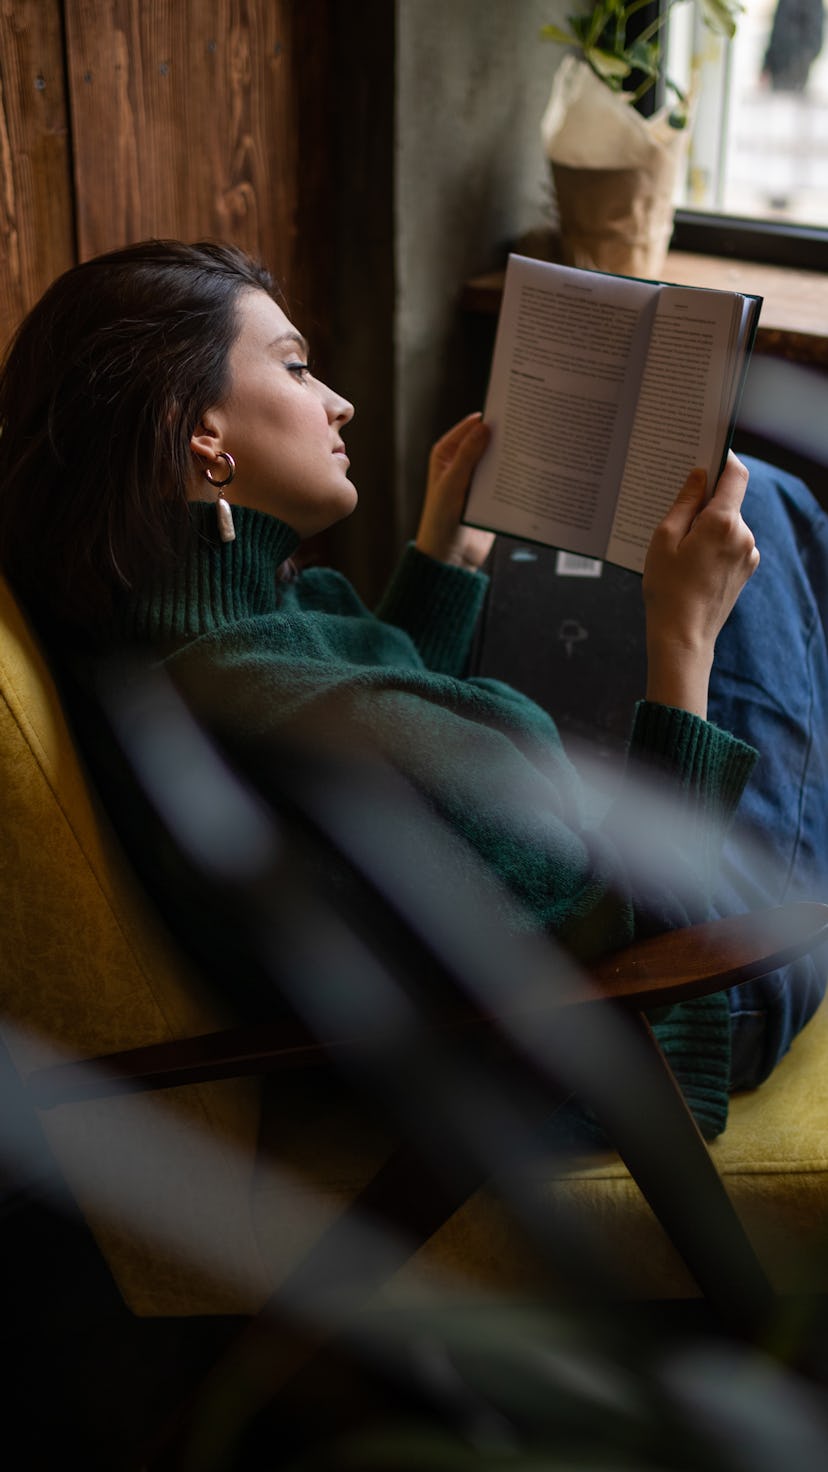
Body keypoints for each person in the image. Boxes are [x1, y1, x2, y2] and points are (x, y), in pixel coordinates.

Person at [0, 238, 826, 1142]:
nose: (337, 401)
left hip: (570, 939)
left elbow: (360, 706)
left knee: (754, 522)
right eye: (297, 368)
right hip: (682, 1003)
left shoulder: (161, 633)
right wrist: (684, 639)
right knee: (772, 508)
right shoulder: (268, 710)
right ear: (201, 433)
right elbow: (632, 922)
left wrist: (446, 551)